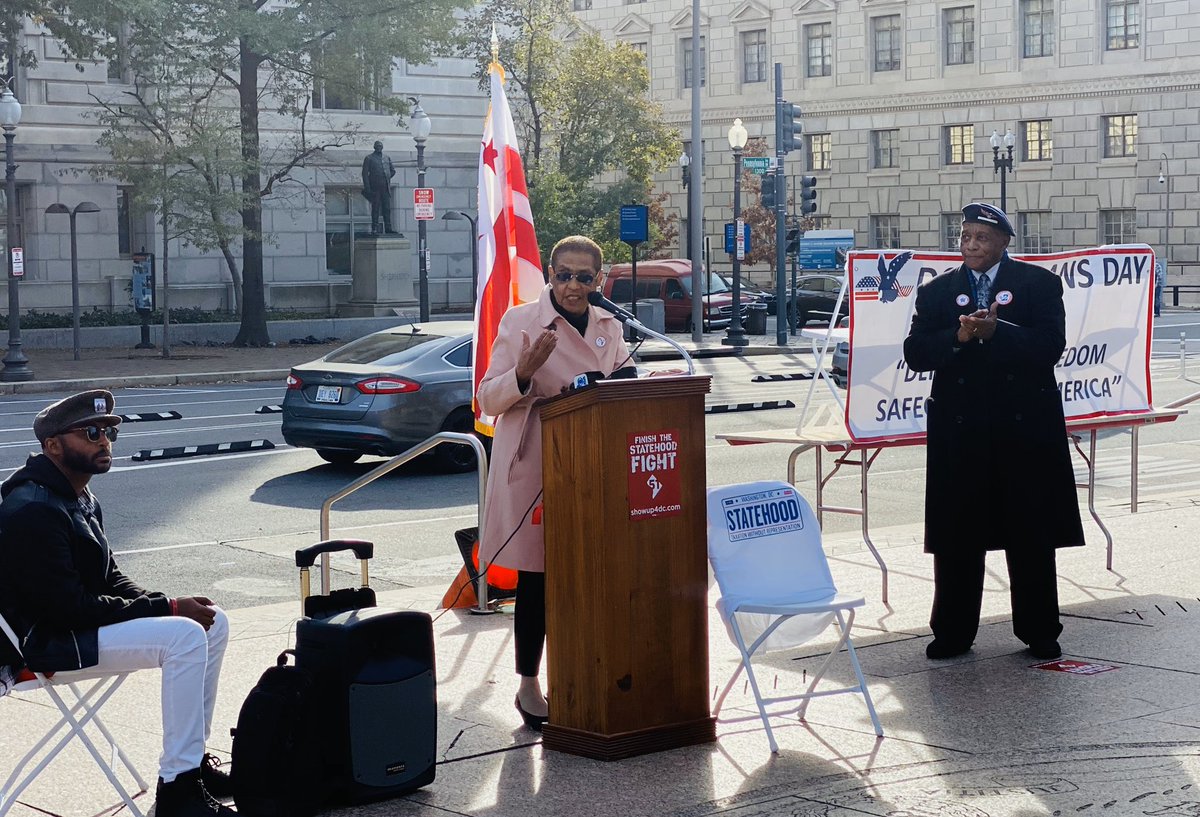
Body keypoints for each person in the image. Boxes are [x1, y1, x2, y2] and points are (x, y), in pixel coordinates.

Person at [0, 390, 235, 816]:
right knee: (183, 635)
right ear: (53, 445)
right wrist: (169, 610)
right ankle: (178, 791)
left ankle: (192, 764)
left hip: (75, 627)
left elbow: (108, 576)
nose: (104, 441)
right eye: (91, 432)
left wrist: (165, 602)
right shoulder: (32, 508)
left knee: (213, 622)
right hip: (46, 644)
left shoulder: (78, 496)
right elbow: (68, 609)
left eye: (110, 431)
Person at [902, 202, 1085, 662]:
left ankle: (1039, 629)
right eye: (965, 237)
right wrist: (959, 338)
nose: (970, 245)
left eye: (981, 237)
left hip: (1023, 432)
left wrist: (996, 332)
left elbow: (1050, 346)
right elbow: (916, 352)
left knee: (1030, 534)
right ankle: (953, 631)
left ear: (1004, 242)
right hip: (961, 434)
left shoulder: (1037, 284)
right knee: (958, 535)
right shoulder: (938, 292)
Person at [476, 235, 629, 730]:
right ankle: (528, 683)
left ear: (599, 281)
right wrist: (523, 371)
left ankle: (591, 669)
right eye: (564, 275)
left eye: (585, 277)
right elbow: (487, 400)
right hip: (537, 465)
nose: (573, 286)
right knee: (538, 578)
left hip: (594, 464)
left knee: (593, 572)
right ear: (549, 273)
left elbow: (624, 380)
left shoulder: (609, 323)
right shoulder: (521, 322)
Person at [361, 140, 396, 234]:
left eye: (380, 146)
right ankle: (374, 228)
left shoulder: (387, 158)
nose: (379, 147)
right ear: (374, 147)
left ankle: (388, 227)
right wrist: (367, 187)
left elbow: (393, 171)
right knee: (375, 208)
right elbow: (364, 174)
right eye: (377, 146)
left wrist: (386, 177)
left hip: (385, 186)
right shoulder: (369, 158)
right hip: (374, 187)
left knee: (387, 208)